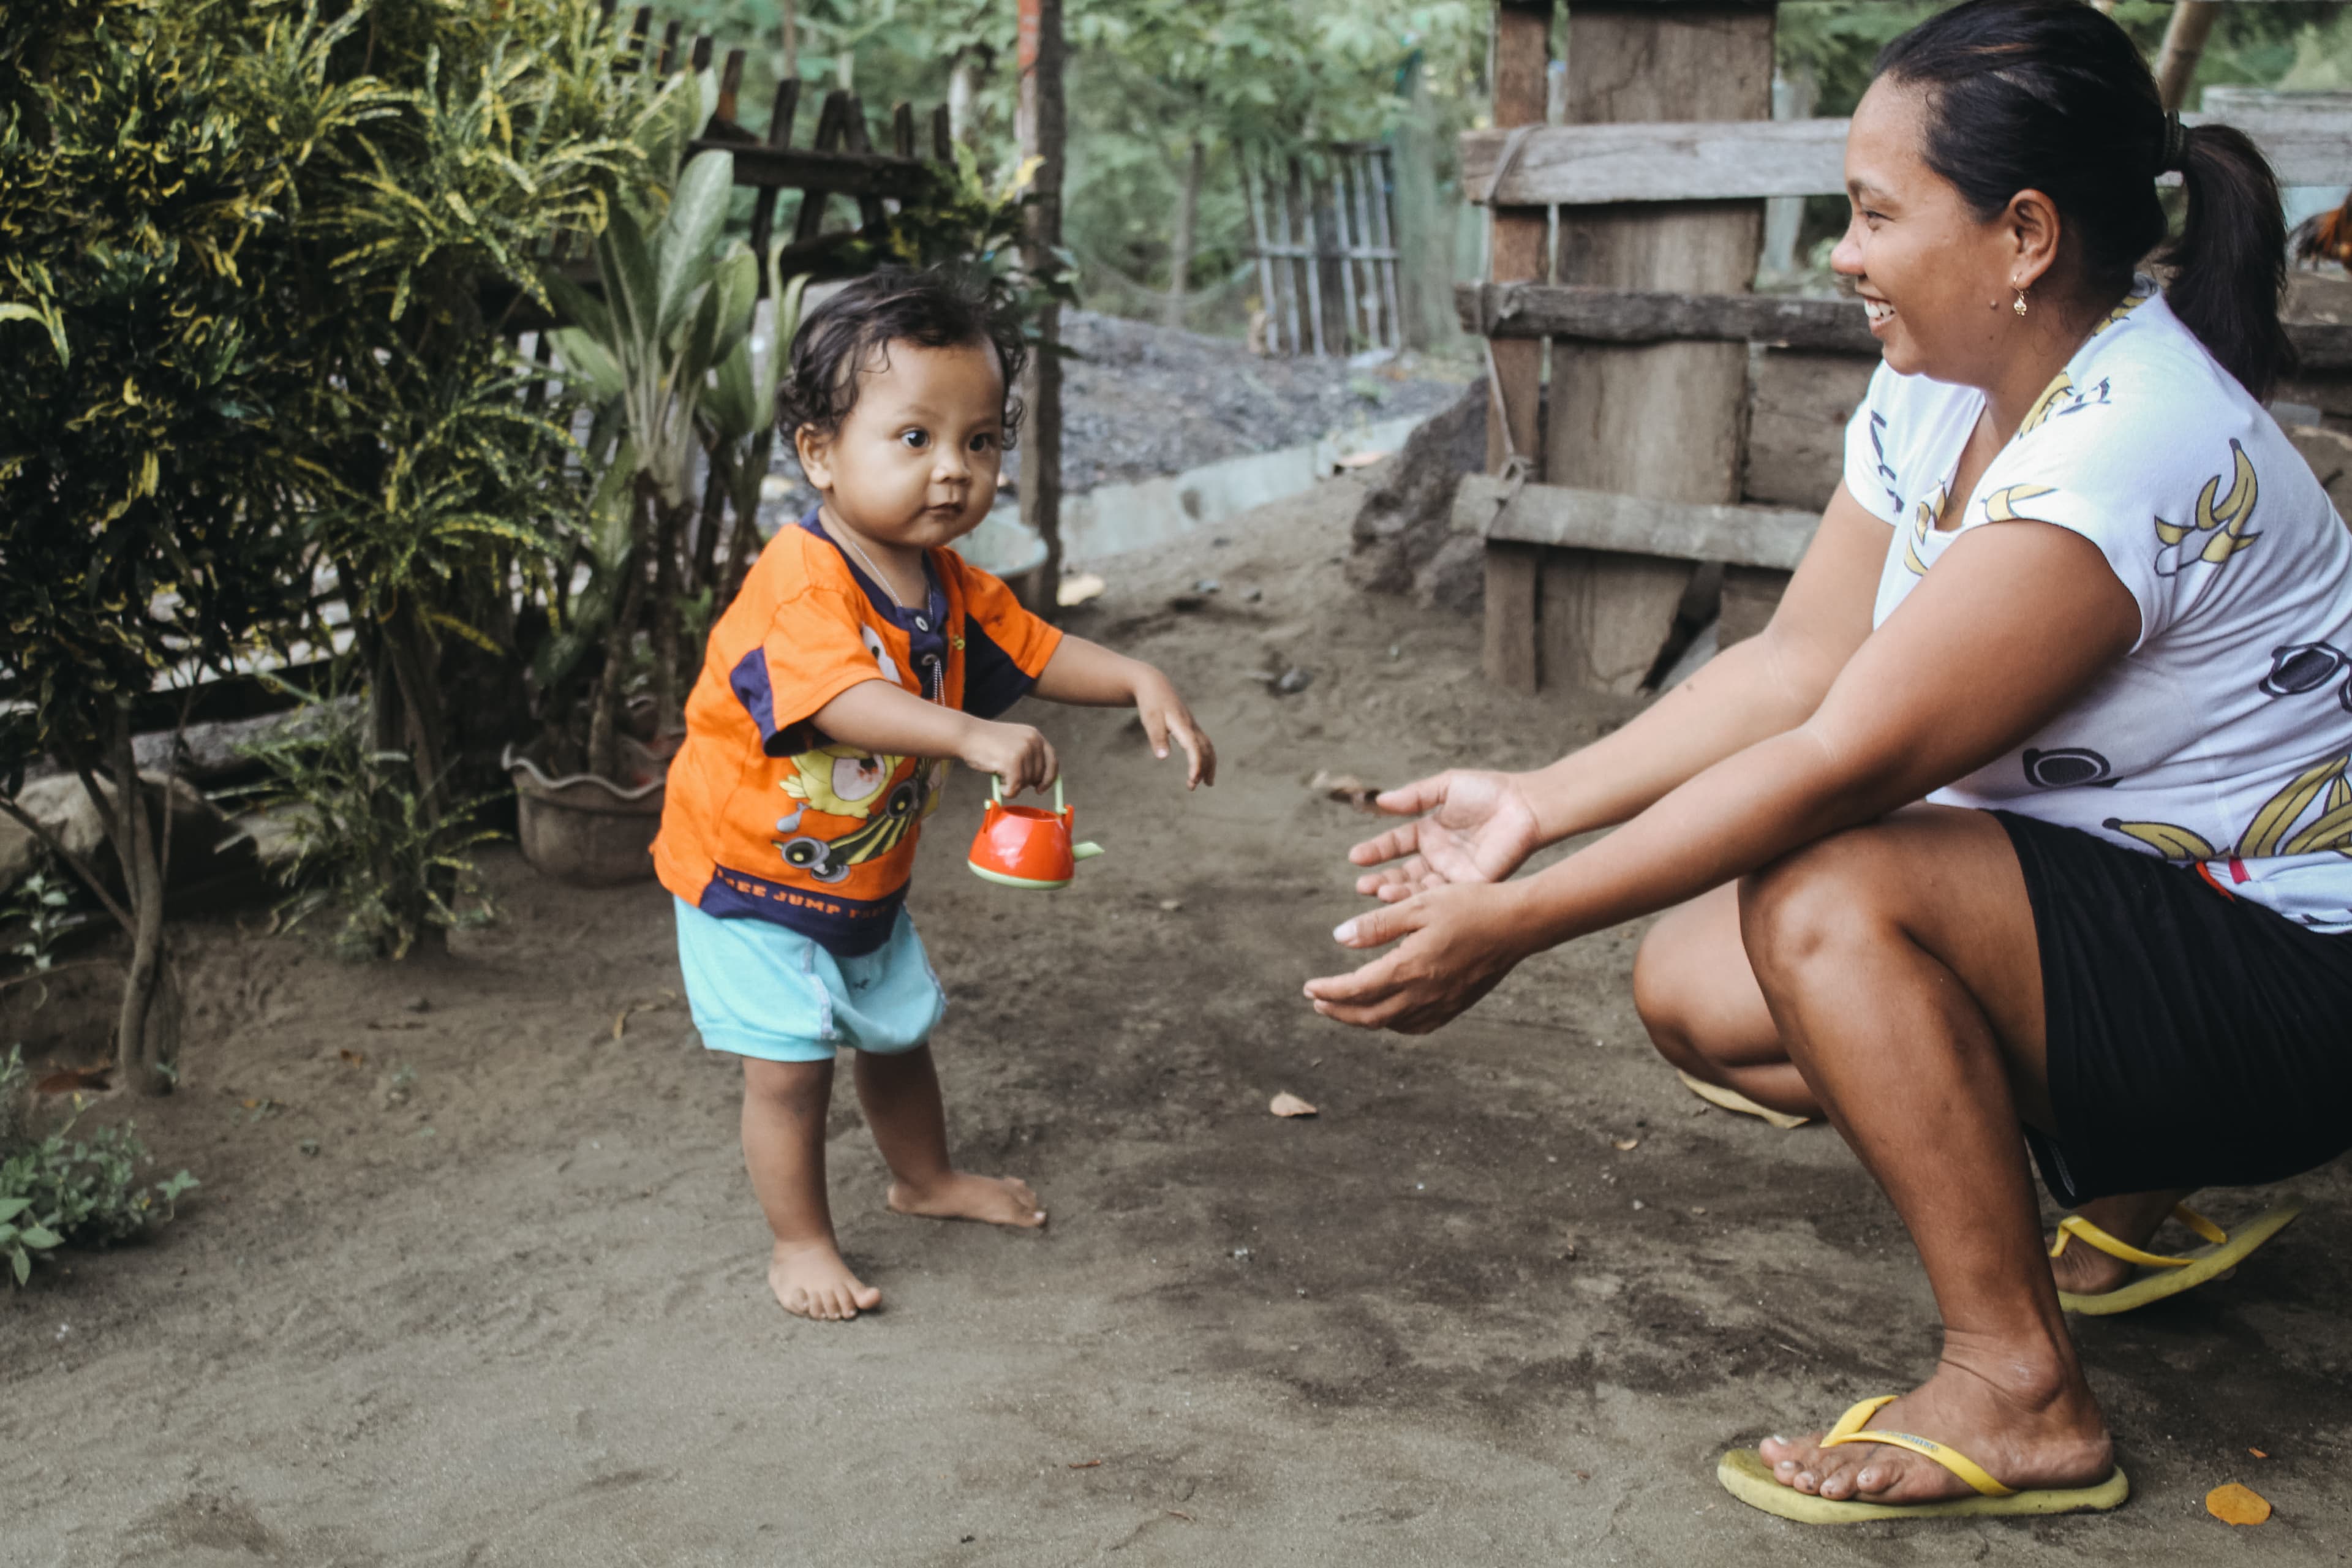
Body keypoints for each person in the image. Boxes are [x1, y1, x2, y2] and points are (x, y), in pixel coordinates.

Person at [1307, 0, 2339, 1523]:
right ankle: (2129, 1182)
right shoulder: (1938, 385)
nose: (1842, 254)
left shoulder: (2129, 444)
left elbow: (1846, 752)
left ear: (2027, 234)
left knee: (1830, 886)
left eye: (1872, 214)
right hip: (2149, 916)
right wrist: (1534, 804)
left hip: (2298, 983)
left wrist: (1514, 925)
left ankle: (2021, 1387)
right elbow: (1796, 663)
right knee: (1698, 986)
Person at [654, 265, 1215, 1323]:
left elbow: (1040, 651)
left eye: (981, 440)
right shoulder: (802, 578)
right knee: (788, 1068)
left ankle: (925, 1179)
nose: (953, 472)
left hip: (862, 875)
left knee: (896, 1033)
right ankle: (800, 1243)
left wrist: (1141, 679)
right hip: (746, 874)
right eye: (914, 439)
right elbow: (840, 699)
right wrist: (965, 732)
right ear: (820, 450)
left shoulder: (951, 585)